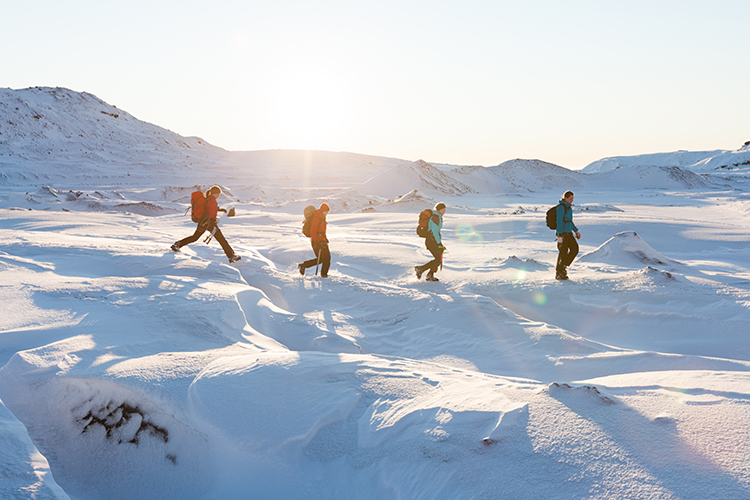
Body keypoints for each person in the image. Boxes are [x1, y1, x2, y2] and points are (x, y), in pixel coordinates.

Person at [171, 185, 241, 263]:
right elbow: (211, 210)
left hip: (204, 222)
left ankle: (177, 244)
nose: (219, 195)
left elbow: (209, 208)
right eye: (219, 194)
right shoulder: (212, 200)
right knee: (221, 240)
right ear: (216, 193)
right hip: (208, 223)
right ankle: (231, 256)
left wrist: (219, 209)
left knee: (195, 237)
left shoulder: (208, 198)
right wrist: (211, 221)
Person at [415, 202, 446, 282]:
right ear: (439, 209)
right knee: (438, 259)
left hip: (434, 240)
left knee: (438, 258)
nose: (444, 211)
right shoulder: (435, 218)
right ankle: (421, 269)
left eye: (445, 209)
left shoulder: (438, 217)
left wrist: (440, 243)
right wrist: (439, 244)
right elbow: (435, 232)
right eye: (443, 209)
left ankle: (430, 275)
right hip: (432, 241)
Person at [298, 203, 331, 278]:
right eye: (326, 211)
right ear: (322, 210)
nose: (327, 213)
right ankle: (303, 266)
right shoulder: (316, 218)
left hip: (322, 241)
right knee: (321, 259)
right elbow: (313, 231)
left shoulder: (322, 218)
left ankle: (324, 275)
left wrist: (325, 239)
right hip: (316, 241)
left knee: (327, 258)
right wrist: (317, 241)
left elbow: (323, 231)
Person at [555, 190, 580, 280]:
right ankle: (559, 273)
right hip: (563, 234)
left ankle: (563, 267)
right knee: (563, 253)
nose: (572, 200)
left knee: (575, 249)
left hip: (569, 233)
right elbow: (559, 222)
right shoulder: (561, 207)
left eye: (573, 198)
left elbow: (569, 221)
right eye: (570, 198)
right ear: (565, 198)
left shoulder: (568, 208)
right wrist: (559, 235)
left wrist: (576, 231)